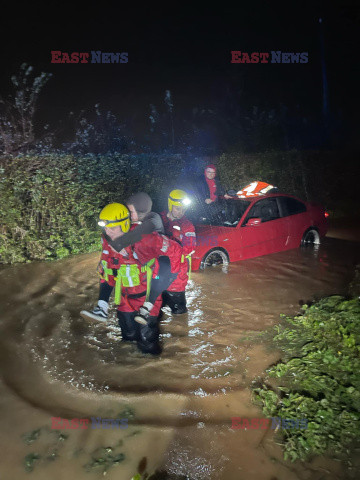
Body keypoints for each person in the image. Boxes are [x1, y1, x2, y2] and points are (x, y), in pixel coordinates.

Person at [80, 203, 164, 355]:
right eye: (105, 227)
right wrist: (102, 303)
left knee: (148, 345)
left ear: (125, 225)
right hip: (124, 299)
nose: (108, 232)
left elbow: (164, 264)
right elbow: (107, 270)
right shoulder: (106, 239)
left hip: (147, 298)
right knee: (127, 339)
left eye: (112, 228)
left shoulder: (143, 237)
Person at [160, 189, 196, 314]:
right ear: (170, 205)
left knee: (180, 316)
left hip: (177, 279)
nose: (181, 212)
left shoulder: (187, 225)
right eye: (177, 208)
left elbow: (189, 248)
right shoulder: (159, 218)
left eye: (183, 209)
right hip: (158, 275)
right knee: (154, 314)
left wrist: (168, 242)